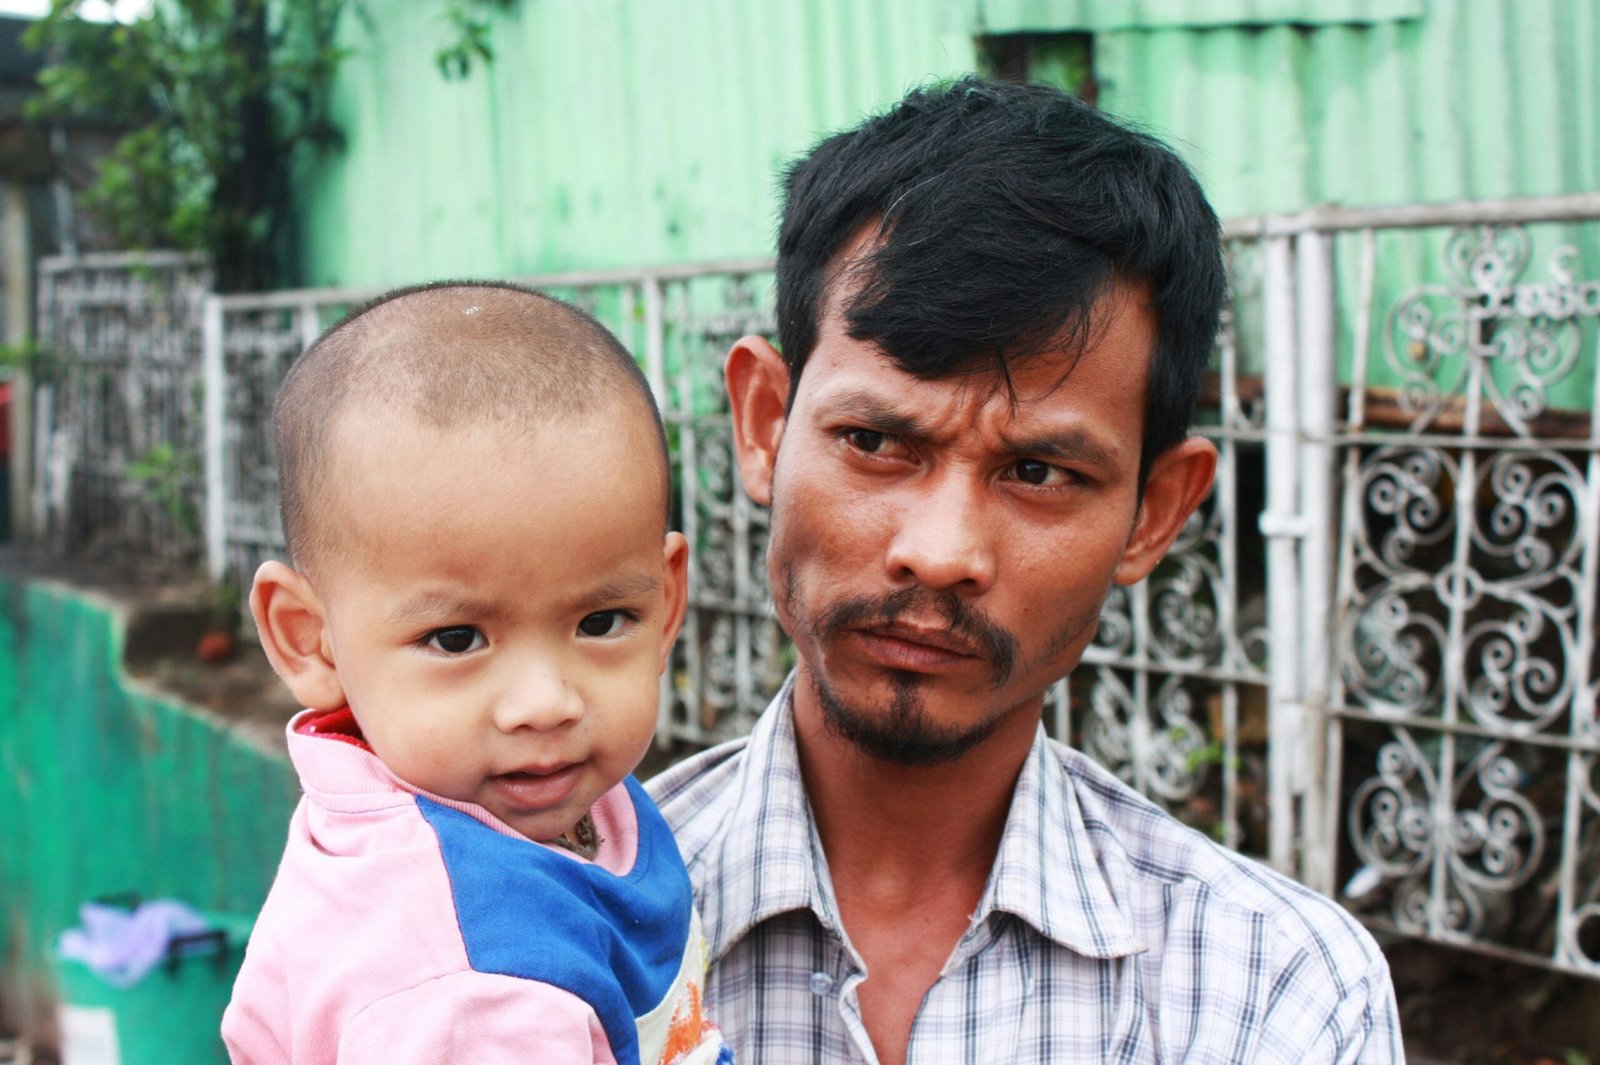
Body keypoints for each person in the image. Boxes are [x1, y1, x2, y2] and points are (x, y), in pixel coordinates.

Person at [648, 78, 1404, 1064]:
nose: (941, 550)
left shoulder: (1274, 997)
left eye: (1038, 471)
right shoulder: (516, 936)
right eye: (874, 440)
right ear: (763, 426)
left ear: (1155, 513)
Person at [222, 282, 731, 1065]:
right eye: (457, 638)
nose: (545, 703)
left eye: (600, 622)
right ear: (311, 641)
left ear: (665, 606)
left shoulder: (541, 803)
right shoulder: (474, 986)